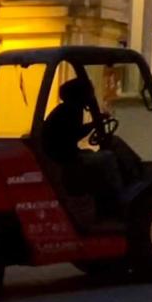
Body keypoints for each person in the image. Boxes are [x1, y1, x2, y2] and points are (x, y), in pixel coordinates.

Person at [43, 75, 124, 209]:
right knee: (108, 158)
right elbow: (75, 133)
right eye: (90, 92)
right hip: (66, 158)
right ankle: (119, 198)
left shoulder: (66, 109)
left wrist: (95, 123)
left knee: (95, 155)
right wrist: (94, 123)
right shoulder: (71, 110)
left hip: (64, 155)